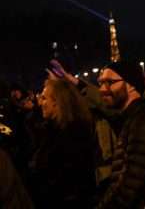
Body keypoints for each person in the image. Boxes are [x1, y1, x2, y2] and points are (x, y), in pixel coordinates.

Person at [96, 61, 145, 209]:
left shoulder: (143, 123)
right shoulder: (132, 118)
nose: (102, 89)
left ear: (131, 85)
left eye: (110, 82)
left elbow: (129, 187)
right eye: (101, 82)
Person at [30, 78, 96, 208]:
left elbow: (67, 179)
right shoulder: (53, 130)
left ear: (57, 102)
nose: (40, 103)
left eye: (44, 98)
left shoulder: (73, 134)